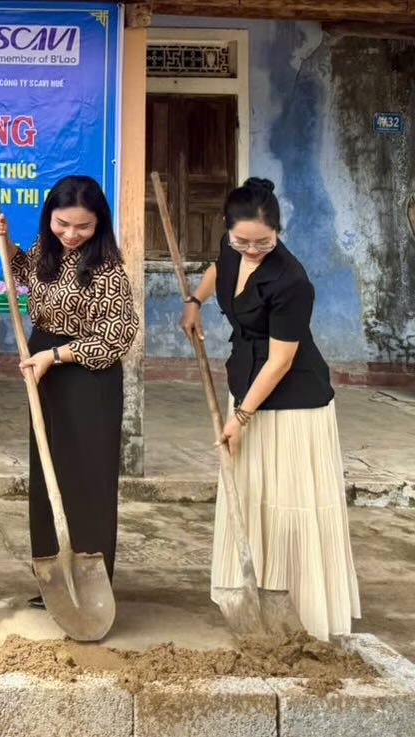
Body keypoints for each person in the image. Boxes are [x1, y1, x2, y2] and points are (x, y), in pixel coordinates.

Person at [179, 177, 360, 640]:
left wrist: (240, 418)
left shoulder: (291, 280)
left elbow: (281, 361)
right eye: (243, 240)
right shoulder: (230, 245)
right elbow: (220, 268)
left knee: (286, 499)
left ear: (278, 232)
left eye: (264, 241)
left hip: (292, 400)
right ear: (229, 229)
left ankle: (302, 608)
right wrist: (194, 302)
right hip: (248, 382)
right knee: (252, 490)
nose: (252, 249)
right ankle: (251, 587)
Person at [0, 176, 139, 610]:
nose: (71, 235)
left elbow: (117, 337)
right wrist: (5, 242)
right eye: (62, 224)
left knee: (86, 478)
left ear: (99, 225)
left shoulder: (108, 269)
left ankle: (92, 584)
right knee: (48, 473)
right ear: (49, 218)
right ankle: (53, 577)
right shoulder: (46, 249)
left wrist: (58, 355)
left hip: (87, 376)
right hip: (45, 368)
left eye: (83, 227)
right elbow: (22, 270)